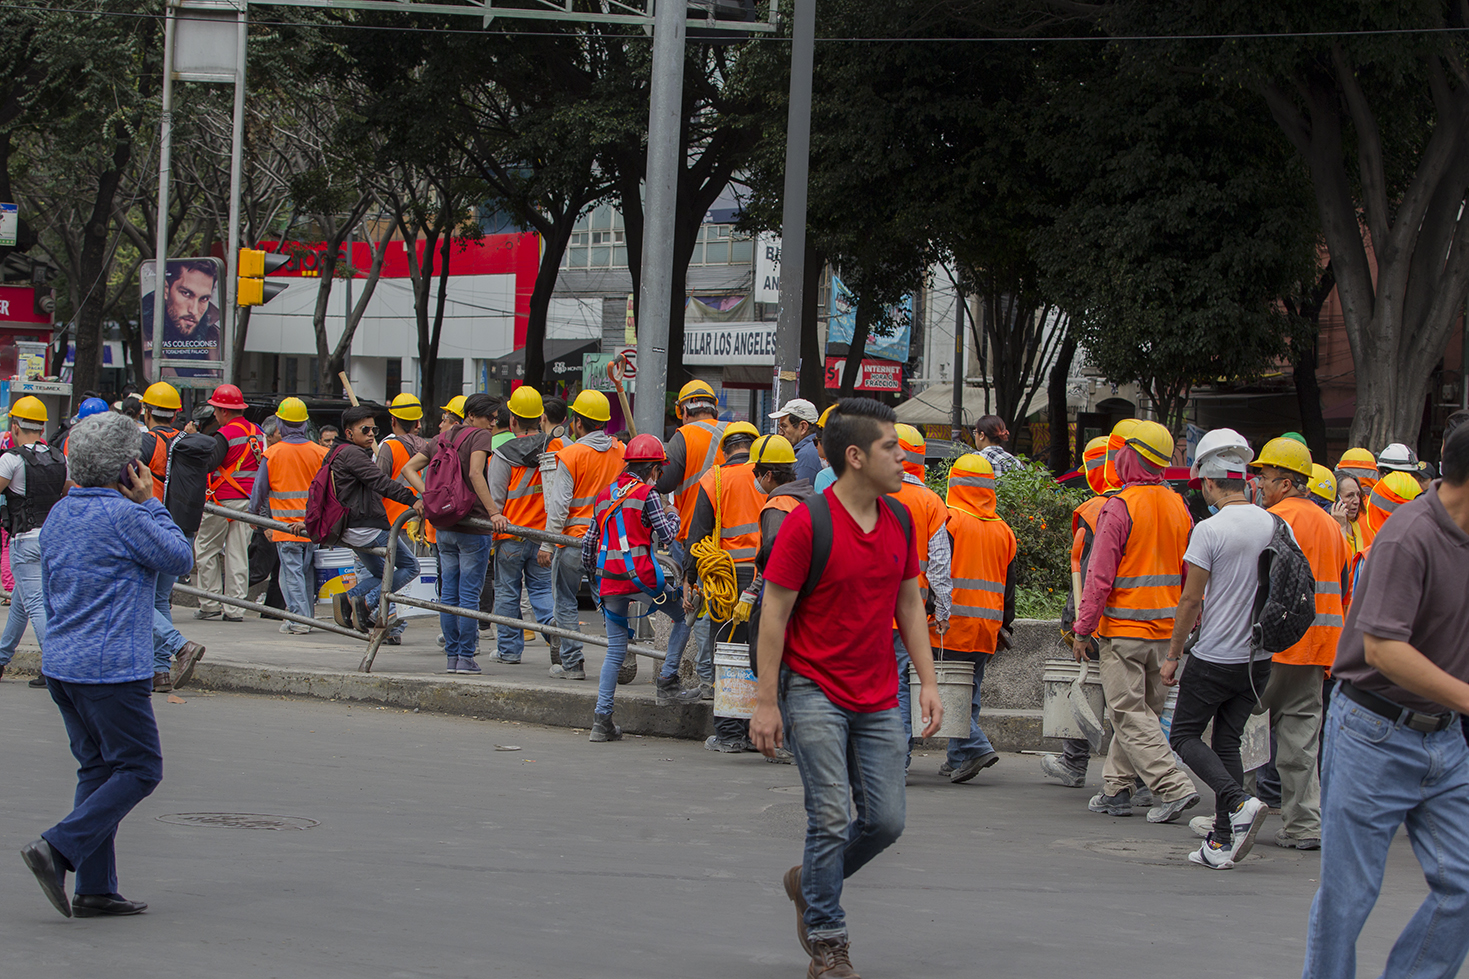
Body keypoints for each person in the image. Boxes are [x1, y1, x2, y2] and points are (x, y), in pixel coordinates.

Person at [750, 397, 943, 979]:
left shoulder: (901, 518)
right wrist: (765, 701)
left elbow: (909, 602)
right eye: (891, 446)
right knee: (830, 816)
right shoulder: (809, 522)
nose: (902, 455)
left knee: (886, 822)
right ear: (855, 456)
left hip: (881, 691)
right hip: (813, 689)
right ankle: (829, 939)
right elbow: (774, 616)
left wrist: (928, 681)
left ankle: (808, 882)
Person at [1300, 423, 1469, 979]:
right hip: (1373, 732)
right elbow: (1384, 649)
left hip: (1445, 739)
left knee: (1463, 885)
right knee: (1348, 897)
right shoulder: (1409, 537)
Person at [20, 410, 196, 920]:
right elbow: (179, 558)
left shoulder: (60, 513)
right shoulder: (125, 516)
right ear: (128, 469)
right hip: (110, 666)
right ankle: (57, 847)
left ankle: (96, 888)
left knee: (97, 769)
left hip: (63, 661)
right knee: (141, 767)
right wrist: (152, 503)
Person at [1073, 420, 1201, 822]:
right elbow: (1190, 575)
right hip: (1164, 634)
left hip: (1124, 631)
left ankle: (1173, 786)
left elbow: (1098, 577)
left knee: (1129, 714)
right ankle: (1117, 790)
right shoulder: (1179, 505)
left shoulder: (1120, 505)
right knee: (1141, 714)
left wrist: (1082, 628)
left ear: (1132, 457)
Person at [1161, 429, 1273, 870]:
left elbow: (1190, 600)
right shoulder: (1274, 524)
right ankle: (1222, 841)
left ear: (1208, 483)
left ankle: (1237, 801)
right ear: (1244, 479)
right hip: (1258, 659)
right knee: (1227, 741)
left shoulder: (1209, 529)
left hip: (1214, 656)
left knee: (1184, 736)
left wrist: (1173, 657)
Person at [1252, 436, 1351, 850]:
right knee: (1301, 739)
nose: (1259, 483)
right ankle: (1304, 825)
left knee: (1241, 728)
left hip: (1272, 647)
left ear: (1288, 482)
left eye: (1266, 476)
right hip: (1317, 650)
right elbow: (1343, 588)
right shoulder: (1333, 526)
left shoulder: (1272, 521)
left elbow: (1254, 587)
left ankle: (1234, 813)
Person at [583, 433, 695, 740]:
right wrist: (673, 515)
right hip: (643, 577)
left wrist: (595, 579)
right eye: (660, 470)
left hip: (610, 581)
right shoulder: (648, 494)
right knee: (685, 615)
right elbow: (667, 535)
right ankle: (668, 680)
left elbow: (589, 544)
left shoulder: (605, 494)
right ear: (655, 469)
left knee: (615, 650)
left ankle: (601, 721)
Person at [1044, 434, 1121, 787]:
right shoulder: (1158, 503)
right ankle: (1134, 776)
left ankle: (1075, 763)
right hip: (1145, 622)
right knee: (1131, 705)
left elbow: (1089, 573)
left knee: (1088, 687)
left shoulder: (1097, 510)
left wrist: (1079, 625)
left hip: (1104, 622)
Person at [934, 453, 1016, 784]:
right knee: (970, 692)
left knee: (945, 693)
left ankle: (976, 747)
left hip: (952, 625)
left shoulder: (949, 521)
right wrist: (1004, 625)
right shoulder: (1003, 530)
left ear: (954, 482)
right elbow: (1009, 588)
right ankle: (958, 757)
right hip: (986, 627)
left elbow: (938, 571)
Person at [403, 395, 499, 672]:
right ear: (471, 415)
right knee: (469, 595)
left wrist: (429, 496)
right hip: (473, 524)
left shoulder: (441, 438)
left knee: (449, 595)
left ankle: (452, 658)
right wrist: (493, 512)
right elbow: (476, 474)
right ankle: (466, 658)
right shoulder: (479, 437)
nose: (492, 423)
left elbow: (407, 468)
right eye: (488, 417)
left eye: (495, 418)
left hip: (444, 524)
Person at [685, 421, 765, 751]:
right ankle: (755, 731)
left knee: (730, 653)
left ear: (724, 449)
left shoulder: (713, 478)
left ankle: (730, 734)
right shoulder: (766, 476)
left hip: (728, 580)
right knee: (760, 654)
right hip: (766, 577)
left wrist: (691, 579)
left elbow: (698, 535)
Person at [315, 406, 422, 645]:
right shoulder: (353, 455)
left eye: (374, 429)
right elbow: (381, 482)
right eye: (365, 429)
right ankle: (366, 602)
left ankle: (348, 598)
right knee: (411, 567)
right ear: (349, 432)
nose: (372, 434)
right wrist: (413, 499)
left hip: (351, 528)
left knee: (380, 574)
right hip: (366, 528)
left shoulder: (336, 452)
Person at [537, 390, 625, 681]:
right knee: (610, 603)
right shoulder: (621, 451)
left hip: (575, 540)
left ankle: (572, 664)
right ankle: (621, 661)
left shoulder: (571, 454)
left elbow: (559, 506)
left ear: (577, 423)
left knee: (564, 600)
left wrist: (548, 543)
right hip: (609, 542)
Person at [139, 382, 216, 694]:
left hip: (153, 526)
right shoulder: (189, 441)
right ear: (174, 414)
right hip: (181, 528)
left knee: (140, 598)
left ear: (147, 411)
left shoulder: (147, 442)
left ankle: (177, 650)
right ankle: (161, 672)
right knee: (160, 600)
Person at [891, 424, 953, 773]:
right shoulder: (930, 501)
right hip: (910, 612)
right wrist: (943, 608)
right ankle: (897, 761)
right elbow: (941, 562)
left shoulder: (872, 494)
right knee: (901, 686)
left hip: (868, 610)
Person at [0, 396, 69, 683]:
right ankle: (2, 657)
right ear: (42, 427)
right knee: (21, 603)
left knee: (36, 603)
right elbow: (66, 491)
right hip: (51, 540)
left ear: (15, 425)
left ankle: (55, 666)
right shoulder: (58, 457)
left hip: (24, 542)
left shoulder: (11, 459)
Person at [487, 386, 556, 665]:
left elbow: (495, 499)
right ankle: (558, 639)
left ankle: (509, 650)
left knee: (507, 592)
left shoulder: (501, 453)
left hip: (511, 536)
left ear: (512, 420)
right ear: (541, 418)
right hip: (543, 537)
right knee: (542, 592)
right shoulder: (555, 448)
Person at [248, 397, 328, 634]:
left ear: (280, 424)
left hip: (285, 526)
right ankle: (307, 618)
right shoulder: (321, 453)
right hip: (312, 526)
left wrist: (254, 516)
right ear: (305, 425)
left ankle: (299, 620)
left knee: (290, 573)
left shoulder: (272, 454)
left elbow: (259, 491)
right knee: (306, 571)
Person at [192, 384, 263, 624]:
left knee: (206, 549)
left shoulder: (225, 434)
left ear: (224, 410)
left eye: (215, 409)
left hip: (221, 500)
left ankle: (209, 604)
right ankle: (235, 609)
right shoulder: (259, 433)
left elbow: (209, 465)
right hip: (248, 501)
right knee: (237, 554)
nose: (214, 414)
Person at [374, 393, 430, 645]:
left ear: (393, 420)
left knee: (382, 574)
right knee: (401, 575)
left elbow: (377, 483)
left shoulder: (389, 447)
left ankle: (386, 621)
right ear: (418, 422)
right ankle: (393, 626)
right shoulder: (428, 448)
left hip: (389, 521)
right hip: (414, 521)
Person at [141, 259, 222, 376]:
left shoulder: (214, 335)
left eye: (204, 299)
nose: (193, 311)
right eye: (186, 293)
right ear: (165, 290)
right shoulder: (145, 333)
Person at [770, 398, 823, 483]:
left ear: (803, 427)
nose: (780, 433)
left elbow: (798, 494)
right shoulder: (813, 448)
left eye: (784, 427)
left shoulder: (805, 456)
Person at [1331, 470, 1371, 555]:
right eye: (1349, 496)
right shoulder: (1328, 528)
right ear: (1336, 498)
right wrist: (1341, 527)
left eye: (1358, 495)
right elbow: (1343, 561)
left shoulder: (1355, 526)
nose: (1356, 501)